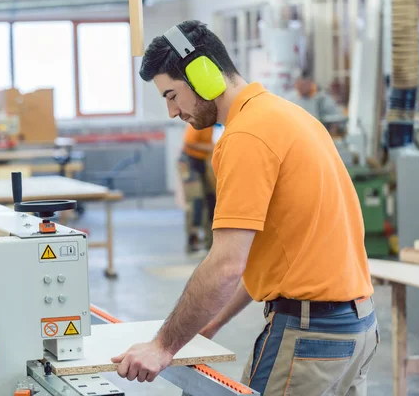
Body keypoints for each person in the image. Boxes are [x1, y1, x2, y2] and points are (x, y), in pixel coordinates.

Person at [111, 20, 378, 395]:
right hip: (358, 330)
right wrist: (210, 323)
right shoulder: (290, 116)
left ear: (203, 75)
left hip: (311, 336)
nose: (172, 111)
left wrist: (162, 346)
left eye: (171, 95)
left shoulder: (245, 136)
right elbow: (265, 257)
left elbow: (226, 265)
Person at [177, 123, 216, 252]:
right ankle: (192, 238)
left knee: (211, 198)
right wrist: (211, 147)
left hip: (203, 162)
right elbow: (189, 142)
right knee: (196, 200)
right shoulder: (199, 121)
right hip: (189, 162)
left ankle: (210, 240)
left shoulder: (211, 125)